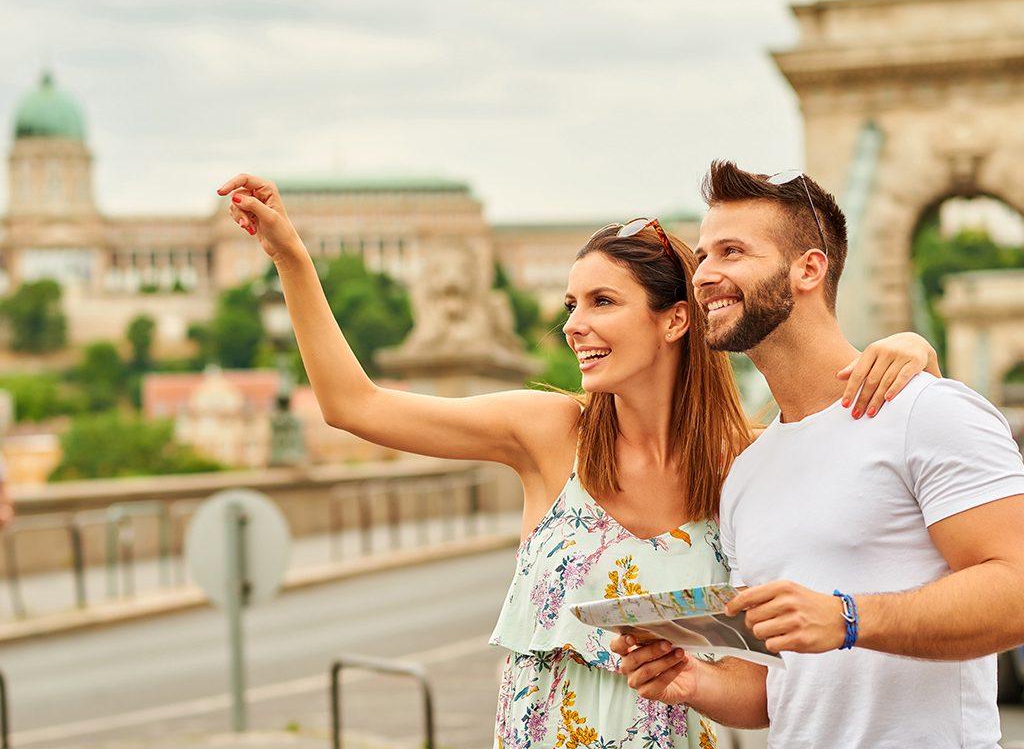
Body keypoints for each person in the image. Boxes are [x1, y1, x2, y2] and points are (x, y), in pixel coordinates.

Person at [217, 173, 937, 749]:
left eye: (601, 301)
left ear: (675, 319)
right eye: (570, 303)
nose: (573, 325)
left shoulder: (744, 464)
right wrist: (291, 256)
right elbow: (356, 406)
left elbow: (786, 658)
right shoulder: (548, 431)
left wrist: (910, 351)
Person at [614, 161, 1024, 748]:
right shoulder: (746, 473)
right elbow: (779, 688)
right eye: (702, 257)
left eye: (731, 252)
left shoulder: (928, 413)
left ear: (809, 269)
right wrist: (692, 680)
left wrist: (849, 619)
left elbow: (1016, 593)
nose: (703, 275)